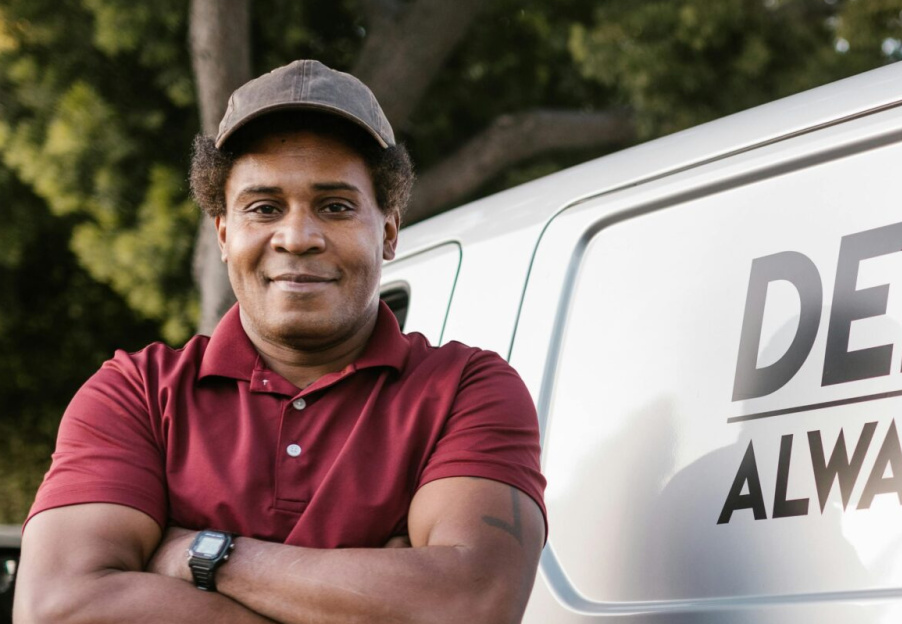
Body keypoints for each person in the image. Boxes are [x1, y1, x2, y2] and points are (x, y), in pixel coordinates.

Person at [14, 59, 547, 624]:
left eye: (335, 206)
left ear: (387, 232)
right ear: (224, 234)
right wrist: (372, 598)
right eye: (264, 208)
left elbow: (469, 605)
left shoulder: (468, 390)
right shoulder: (136, 394)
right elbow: (59, 608)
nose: (298, 238)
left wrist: (201, 554)